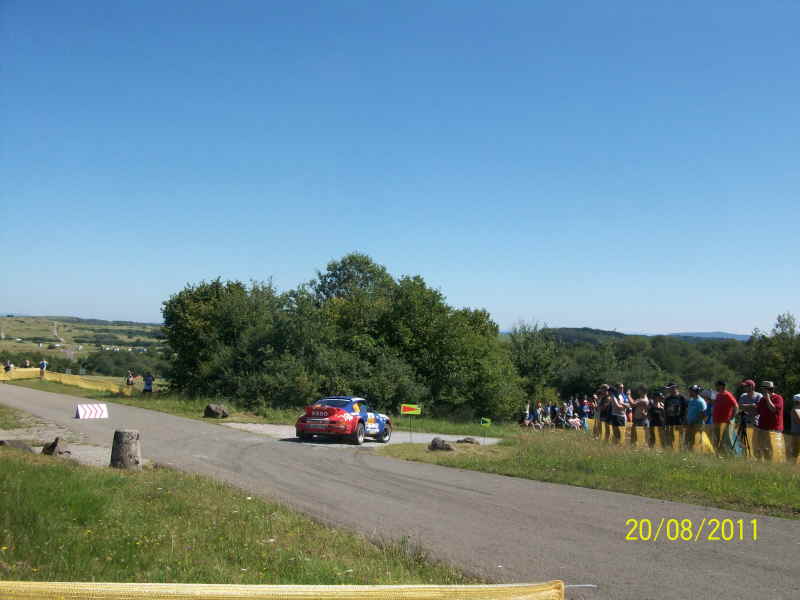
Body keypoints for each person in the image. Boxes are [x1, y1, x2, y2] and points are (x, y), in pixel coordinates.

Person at [711, 380, 738, 452]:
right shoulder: (718, 395)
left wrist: (731, 418)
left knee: (727, 439)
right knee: (718, 439)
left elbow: (736, 406)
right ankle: (720, 454)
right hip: (716, 421)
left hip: (725, 422)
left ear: (721, 386)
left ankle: (733, 454)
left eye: (717, 385)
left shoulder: (728, 395)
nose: (716, 387)